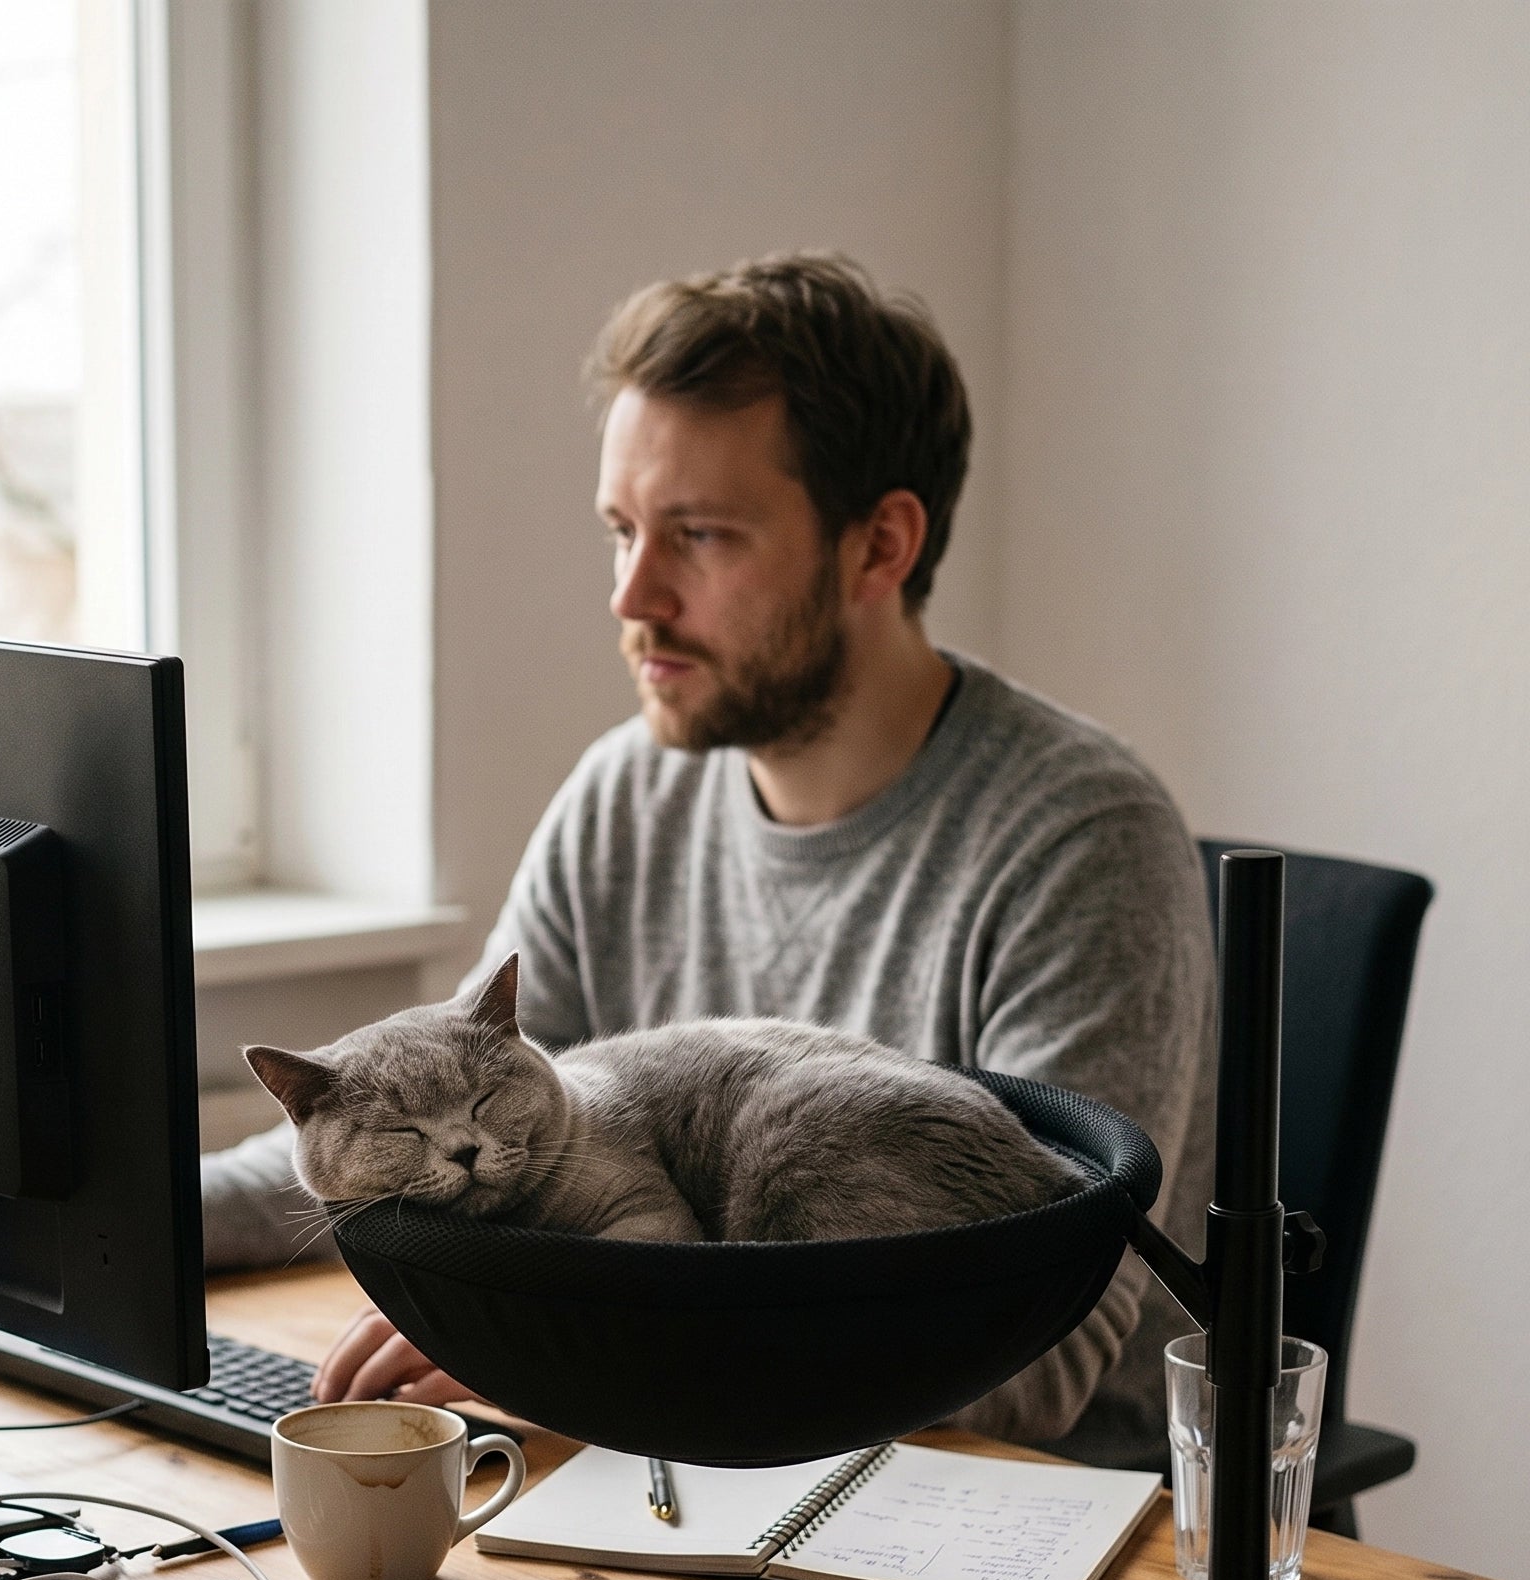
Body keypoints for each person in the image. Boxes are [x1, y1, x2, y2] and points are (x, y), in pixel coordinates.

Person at [203, 252, 1214, 1473]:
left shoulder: (1073, 836)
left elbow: (1045, 1360)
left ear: (877, 546)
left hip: (1022, 1520)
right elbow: (410, 1106)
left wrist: (573, 1344)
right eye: (622, 530)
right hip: (687, 1456)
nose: (633, 593)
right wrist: (126, 1222)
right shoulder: (626, 790)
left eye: (699, 536)